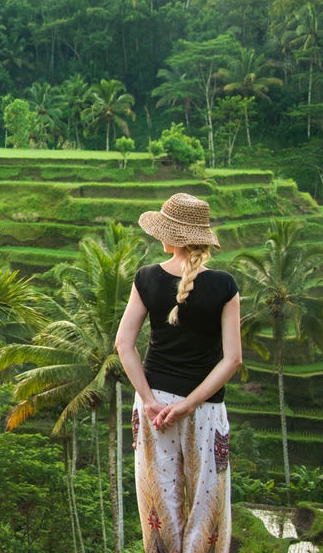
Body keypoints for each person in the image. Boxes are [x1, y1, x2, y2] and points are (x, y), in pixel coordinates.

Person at [115, 193, 242, 553]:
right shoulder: (225, 285)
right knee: (208, 507)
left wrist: (149, 400)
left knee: (159, 506)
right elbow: (232, 359)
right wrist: (189, 404)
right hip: (205, 409)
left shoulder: (146, 278)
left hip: (155, 407)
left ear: (171, 236)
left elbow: (124, 345)